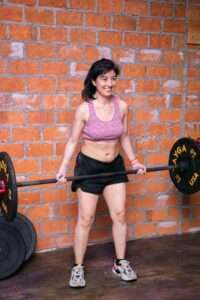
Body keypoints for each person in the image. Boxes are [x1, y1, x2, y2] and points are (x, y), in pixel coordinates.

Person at [56, 58, 146, 288]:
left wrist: (134, 161)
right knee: (85, 219)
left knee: (120, 215)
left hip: (114, 166)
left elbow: (124, 137)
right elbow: (73, 140)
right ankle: (77, 268)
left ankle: (120, 262)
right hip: (89, 168)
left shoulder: (122, 106)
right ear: (94, 81)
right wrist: (63, 167)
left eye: (113, 79)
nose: (109, 83)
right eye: (104, 79)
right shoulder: (84, 109)